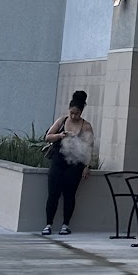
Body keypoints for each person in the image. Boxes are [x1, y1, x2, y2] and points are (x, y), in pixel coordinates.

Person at [39, 90, 94, 236]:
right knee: (53, 193)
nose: (74, 116)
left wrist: (87, 167)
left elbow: (89, 148)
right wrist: (60, 135)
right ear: (68, 110)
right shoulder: (62, 121)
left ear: (81, 112)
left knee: (69, 194)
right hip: (59, 161)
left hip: (75, 165)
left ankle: (65, 224)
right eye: (72, 113)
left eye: (77, 114)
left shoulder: (86, 126)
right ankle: (48, 224)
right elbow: (48, 137)